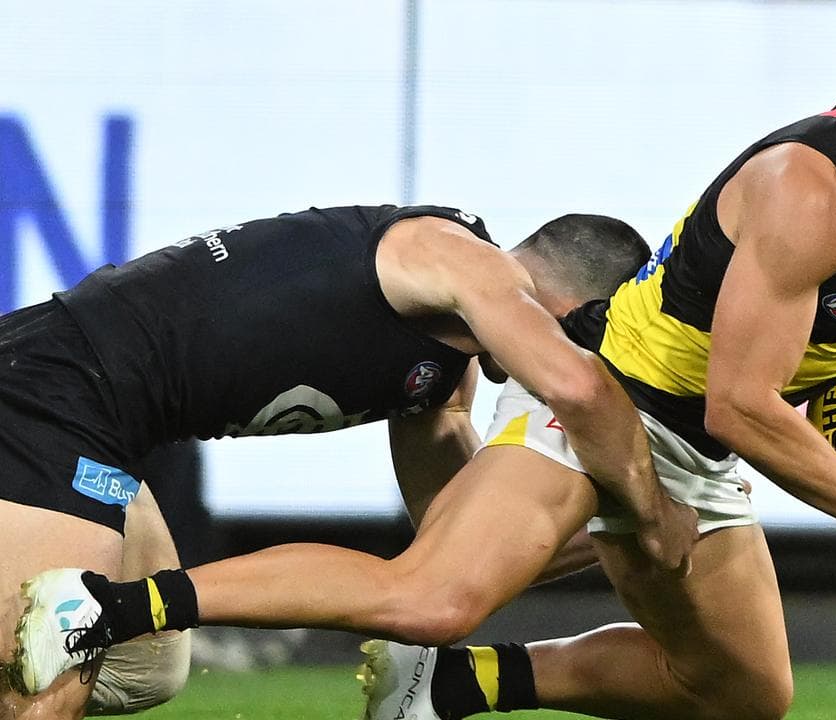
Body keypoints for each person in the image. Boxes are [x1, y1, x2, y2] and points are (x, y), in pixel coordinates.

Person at [19, 7, 836, 720]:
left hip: (697, 439)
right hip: (617, 403)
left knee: (744, 692)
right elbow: (727, 399)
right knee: (428, 593)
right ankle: (114, 610)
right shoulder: (806, 191)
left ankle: (463, 689)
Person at [1, 204, 698, 718]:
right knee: (48, 680)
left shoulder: (444, 374)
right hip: (56, 391)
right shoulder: (458, 260)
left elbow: (456, 544)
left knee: (148, 666)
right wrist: (655, 506)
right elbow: (577, 388)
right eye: (591, 335)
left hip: (106, 421)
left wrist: (615, 536)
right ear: (577, 312)